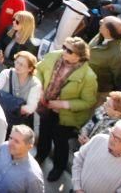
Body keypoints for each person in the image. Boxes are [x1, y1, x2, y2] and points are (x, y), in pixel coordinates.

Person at [35, 36, 98, 182]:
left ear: (79, 56)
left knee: (60, 142)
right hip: (46, 106)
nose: (64, 51)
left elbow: (88, 102)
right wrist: (40, 89)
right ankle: (41, 155)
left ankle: (58, 167)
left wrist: (63, 104)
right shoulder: (53, 56)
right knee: (44, 133)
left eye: (69, 50)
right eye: (64, 47)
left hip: (66, 116)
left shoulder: (88, 77)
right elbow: (38, 69)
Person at [71, 118, 121, 193]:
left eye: (117, 139)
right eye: (112, 134)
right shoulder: (98, 139)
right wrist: (77, 188)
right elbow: (78, 160)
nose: (112, 139)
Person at [0, 125, 44, 193]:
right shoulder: (4, 147)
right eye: (10, 138)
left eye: (16, 141)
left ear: (29, 147)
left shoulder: (33, 176)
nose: (10, 143)